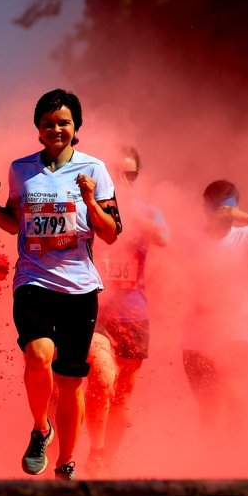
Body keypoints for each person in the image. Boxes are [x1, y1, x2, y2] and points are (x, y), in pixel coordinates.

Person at [0, 89, 121, 480]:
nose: (56, 129)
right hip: (34, 279)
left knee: (72, 382)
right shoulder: (21, 169)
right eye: (48, 123)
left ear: (76, 128)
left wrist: (90, 202)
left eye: (63, 123)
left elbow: (111, 234)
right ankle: (41, 428)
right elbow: (14, 224)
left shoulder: (95, 170)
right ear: (38, 129)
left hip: (79, 287)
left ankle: (66, 462)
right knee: (38, 356)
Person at [83, 146, 169, 477]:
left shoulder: (147, 211)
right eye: (116, 172)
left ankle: (106, 460)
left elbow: (163, 237)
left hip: (134, 313)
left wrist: (129, 205)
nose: (122, 180)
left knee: (123, 394)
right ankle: (96, 451)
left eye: (130, 175)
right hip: (95, 311)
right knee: (102, 378)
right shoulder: (89, 208)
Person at [182, 179, 248, 433]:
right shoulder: (191, 239)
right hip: (197, 338)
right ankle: (212, 461)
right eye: (219, 209)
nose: (225, 216)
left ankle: (233, 457)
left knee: (236, 398)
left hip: (236, 334)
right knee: (208, 407)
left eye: (230, 210)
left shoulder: (246, 236)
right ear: (206, 208)